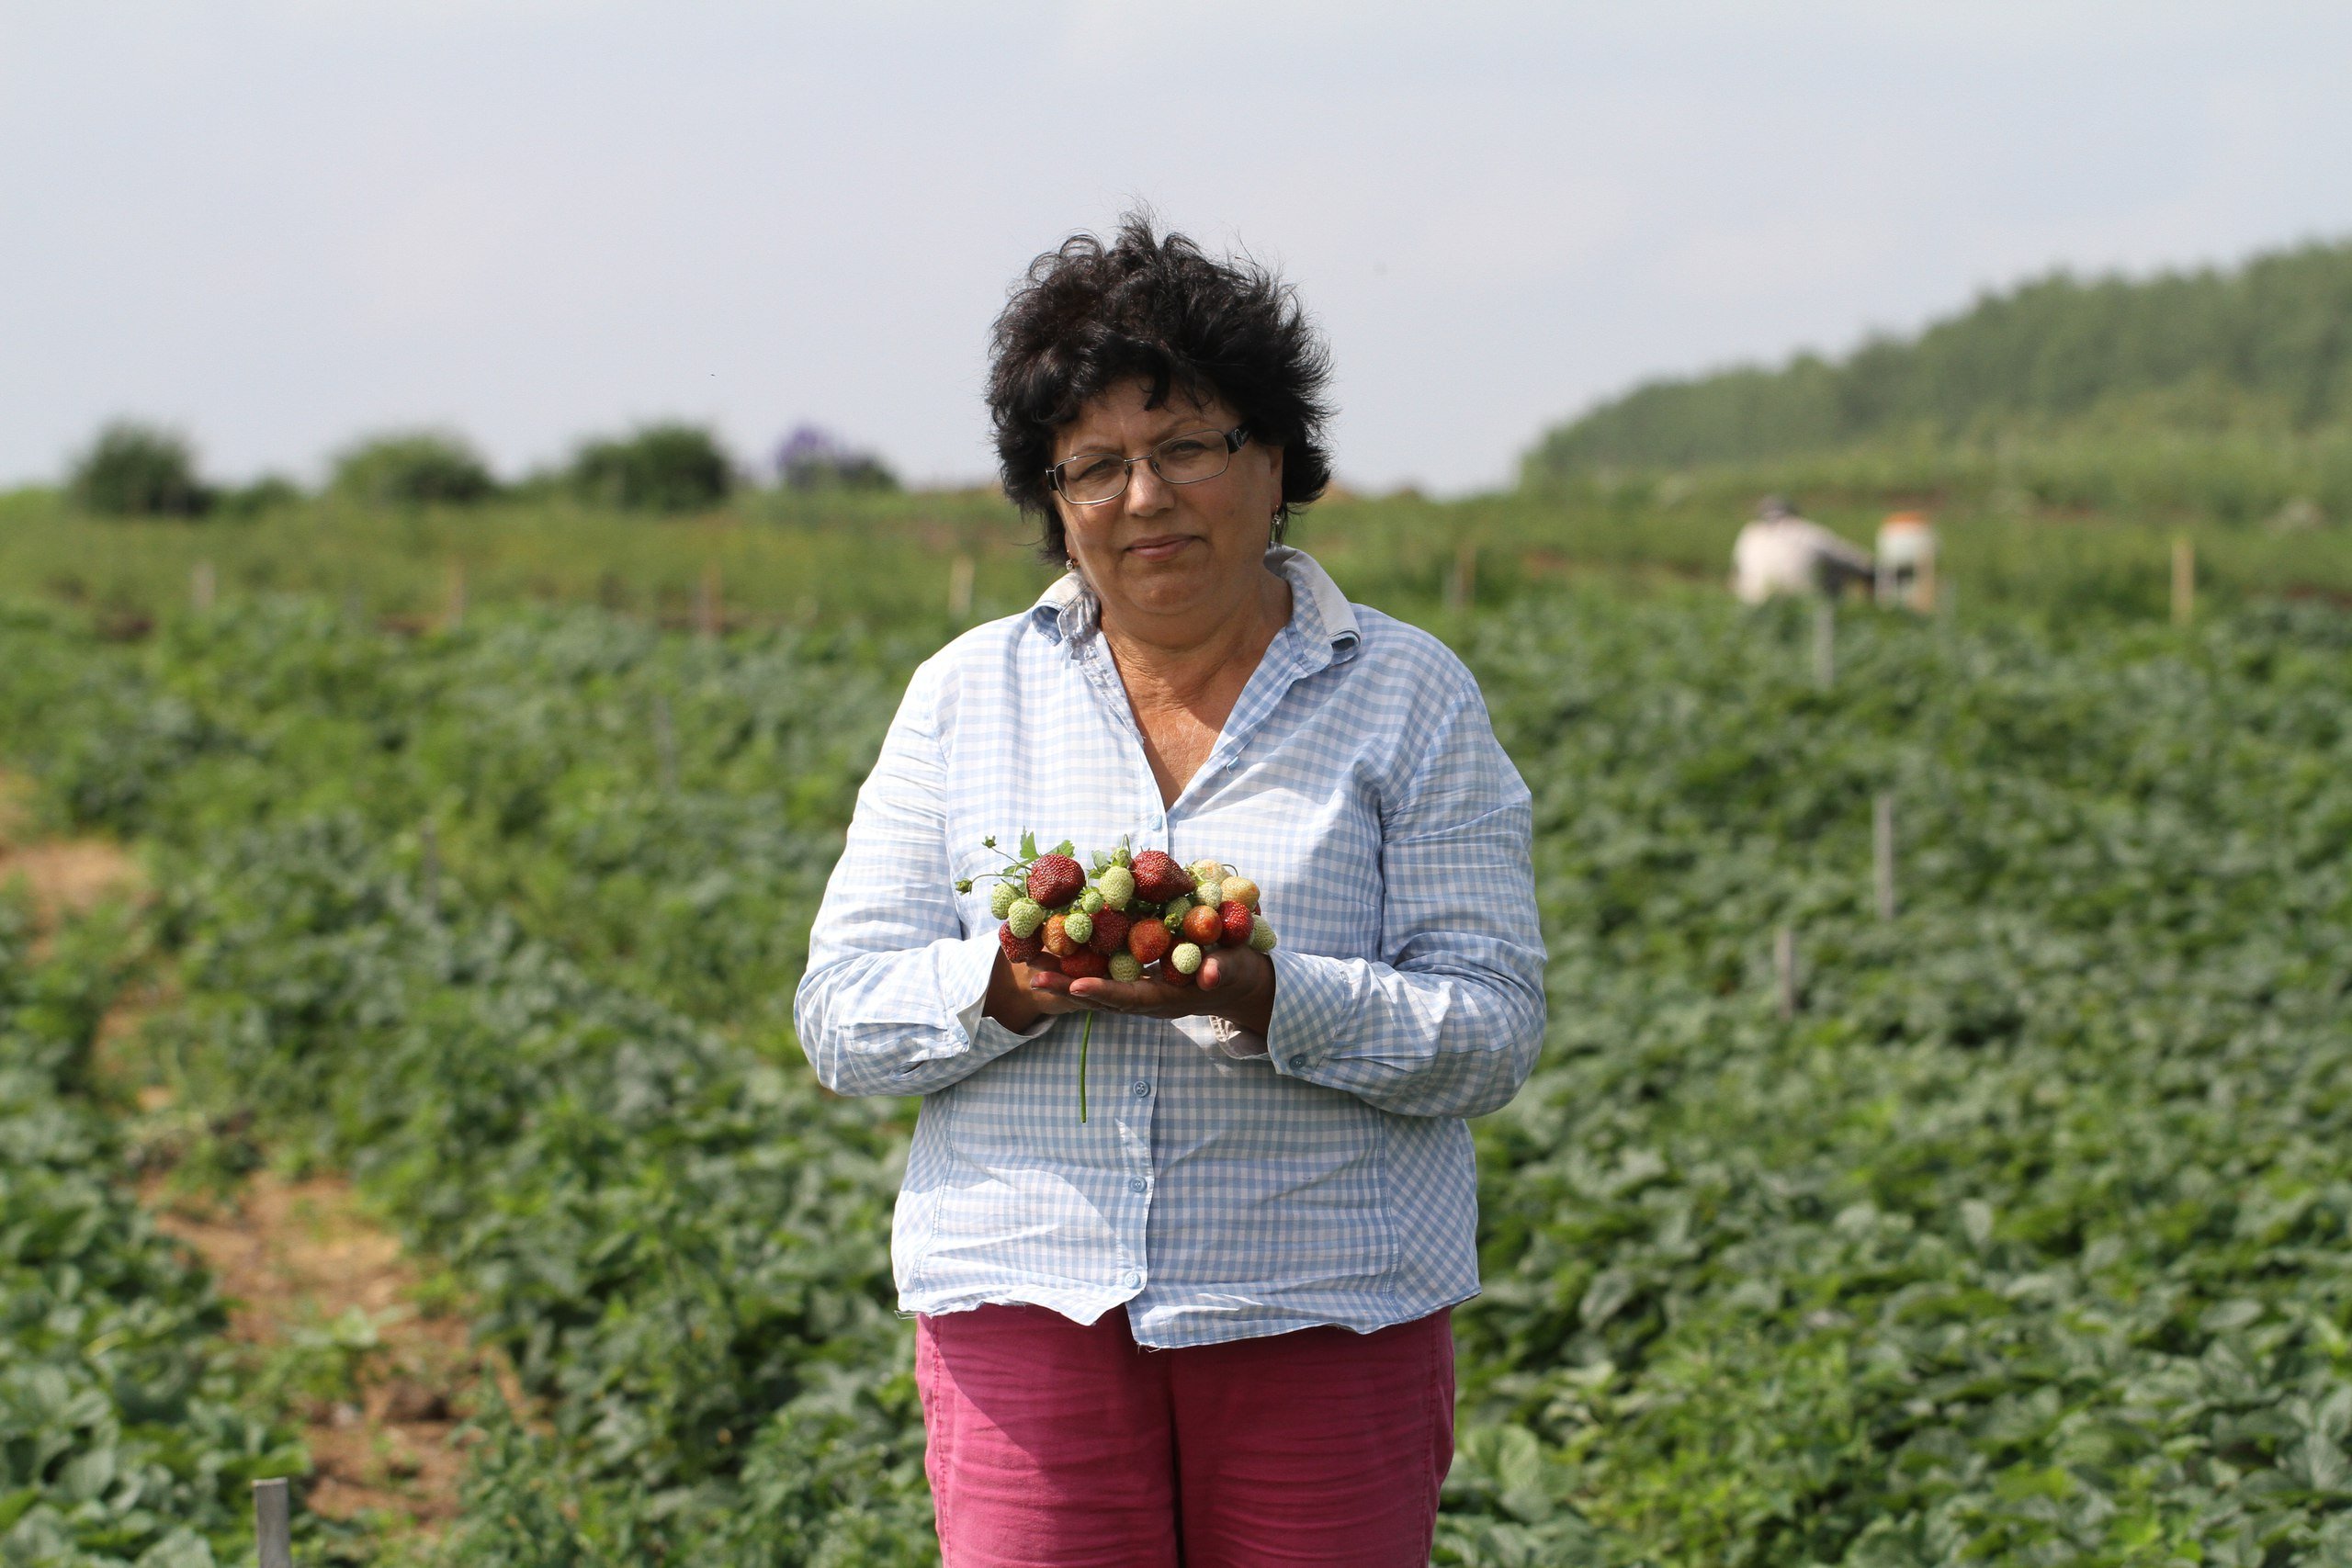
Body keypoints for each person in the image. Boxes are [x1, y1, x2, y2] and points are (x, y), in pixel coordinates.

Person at [793, 216, 1547, 1568]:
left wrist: (1266, 992)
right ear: (1054, 502)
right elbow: (841, 1010)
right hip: (1029, 1309)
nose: (1144, 496)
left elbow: (1490, 1026)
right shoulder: (969, 695)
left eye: (1186, 445)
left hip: (1325, 1307)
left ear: (1274, 462)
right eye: (1093, 464)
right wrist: (1008, 987)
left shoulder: (1407, 694)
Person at [1729, 494, 1874, 604]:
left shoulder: (1748, 534)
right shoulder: (1805, 531)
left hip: (1750, 605)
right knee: (1838, 569)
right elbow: (1849, 557)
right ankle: (1834, 615)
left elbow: (1736, 571)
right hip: (1799, 603)